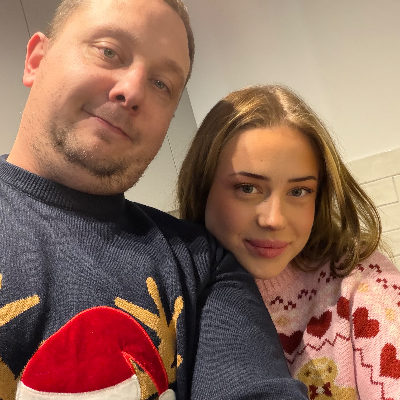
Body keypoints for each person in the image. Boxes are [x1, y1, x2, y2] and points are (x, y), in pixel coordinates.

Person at [0, 2, 309, 400]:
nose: (132, 92)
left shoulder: (203, 265)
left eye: (162, 84)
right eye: (108, 51)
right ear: (36, 59)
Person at [177, 84, 400, 399]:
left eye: (298, 191)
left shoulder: (363, 285)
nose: (274, 219)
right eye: (247, 188)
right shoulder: (172, 301)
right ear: (203, 188)